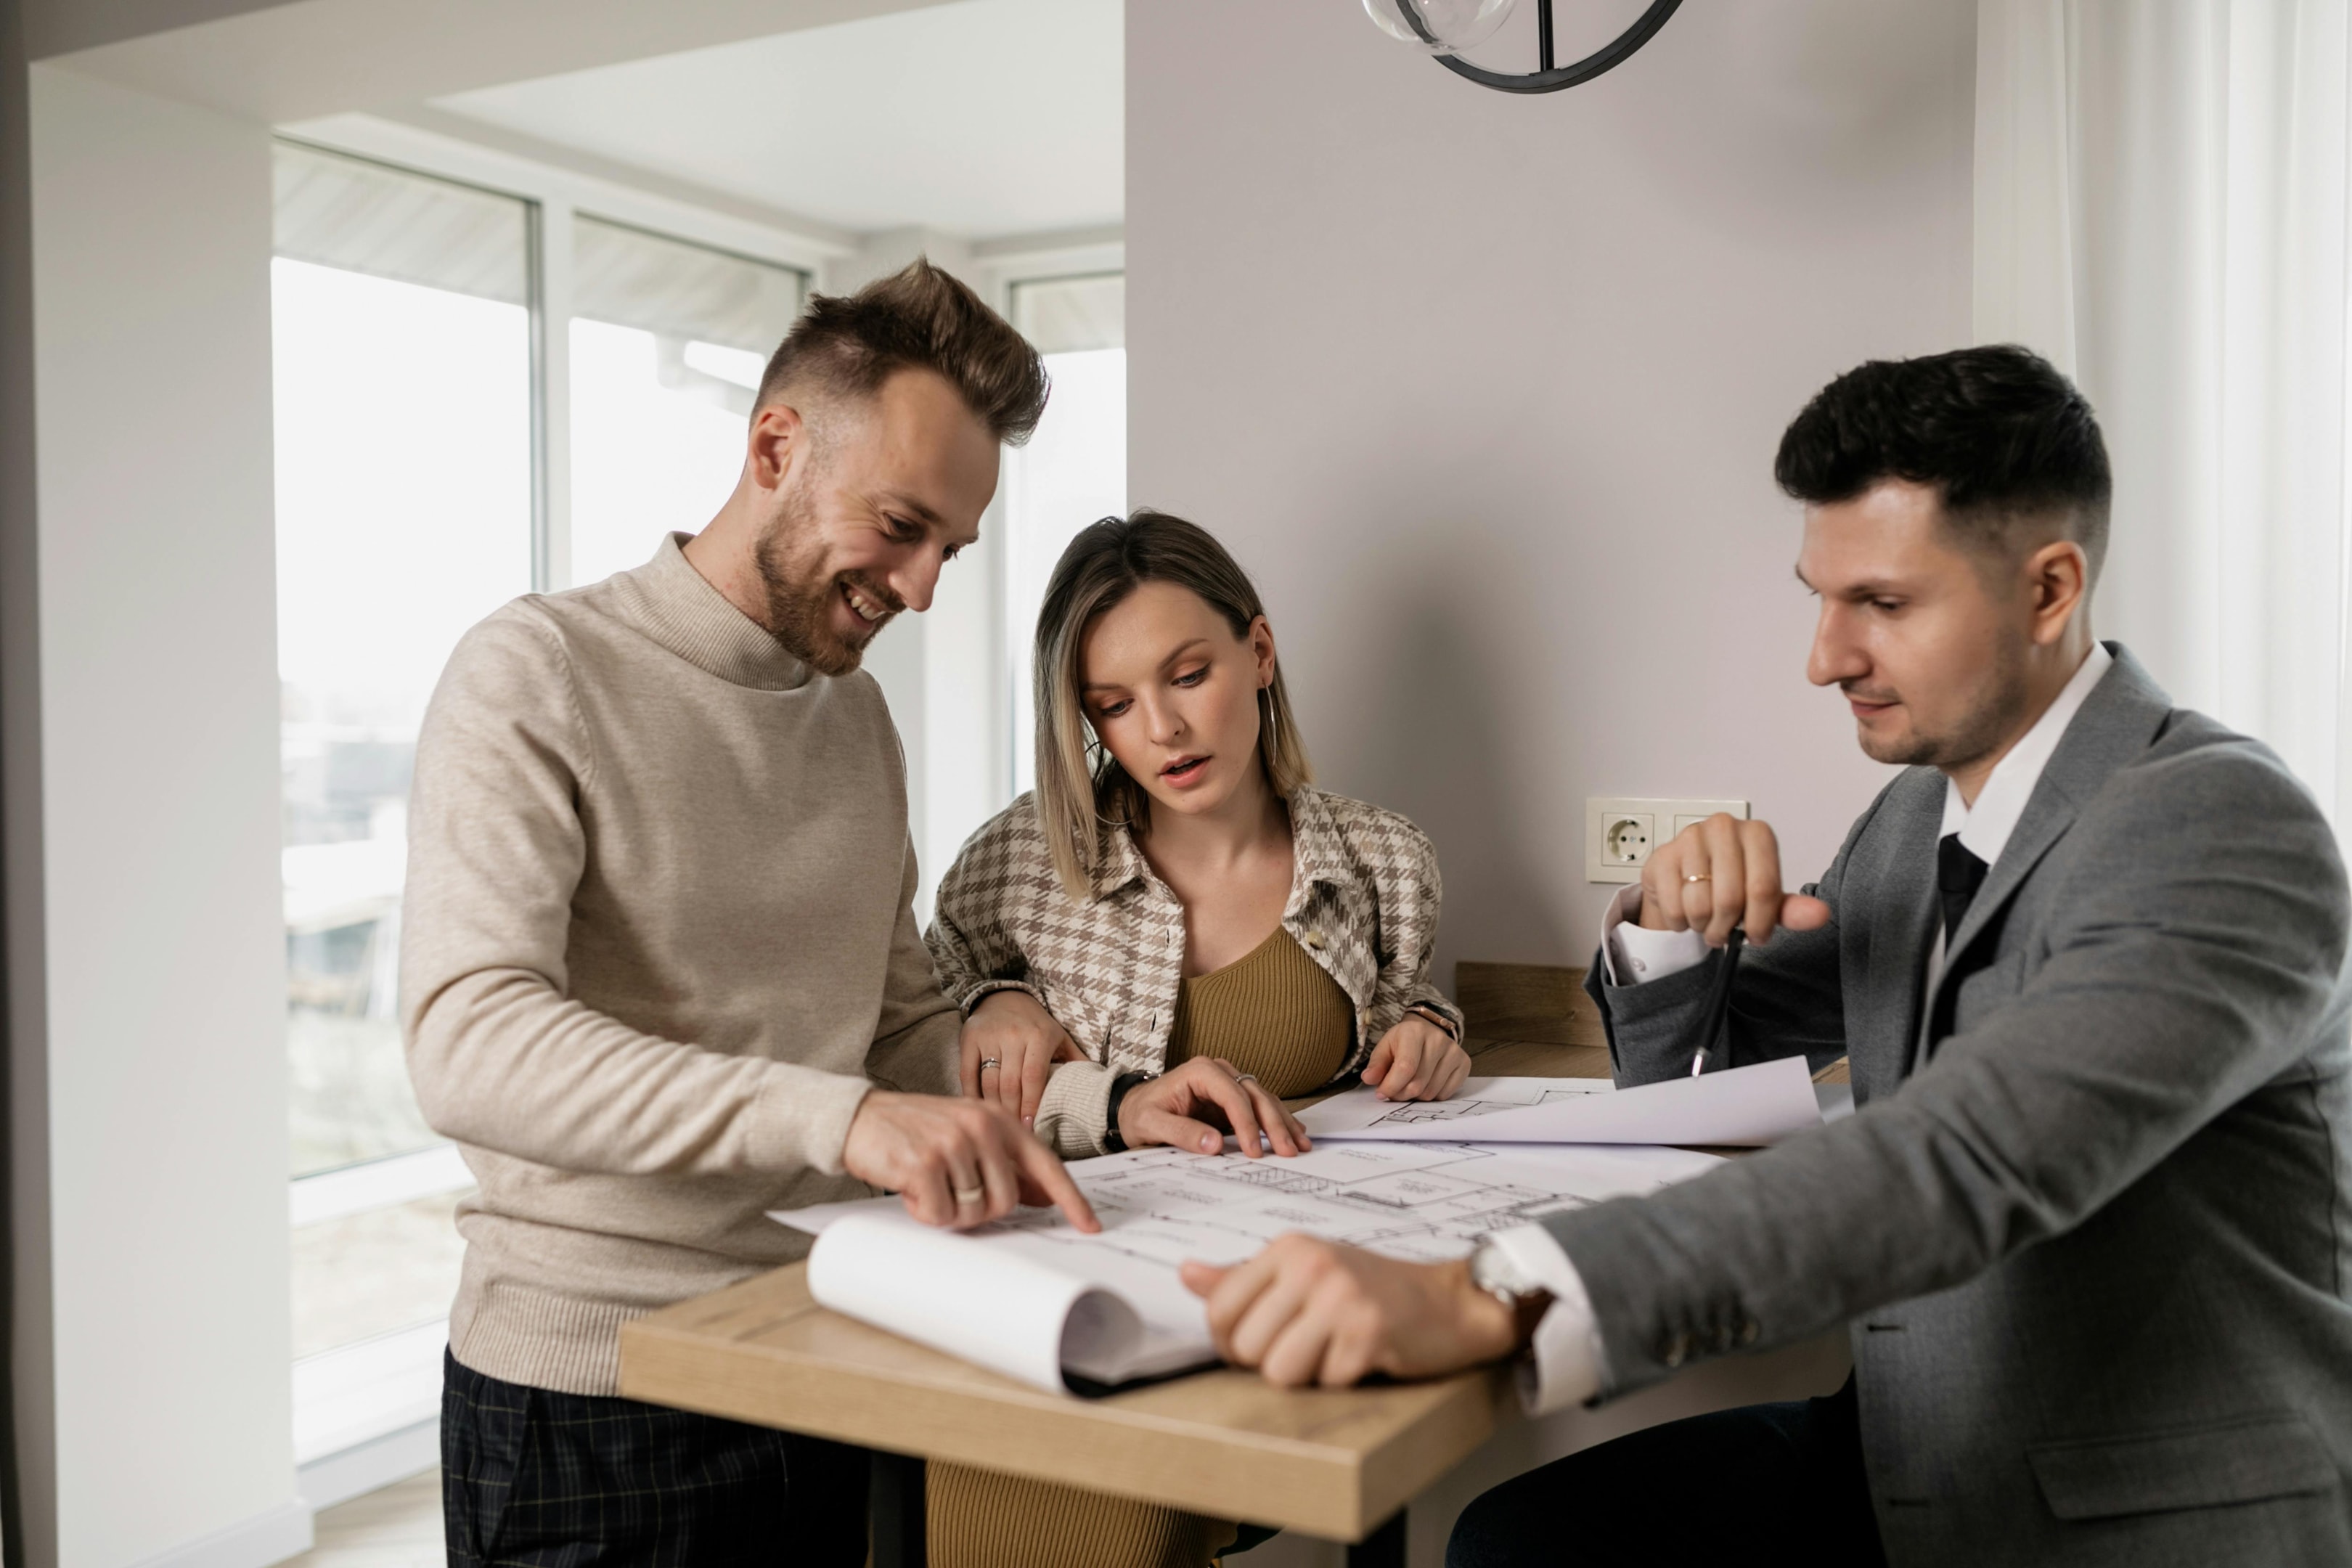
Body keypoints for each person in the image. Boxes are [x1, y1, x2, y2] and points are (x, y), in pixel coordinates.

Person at [1177, 346, 2352, 1567]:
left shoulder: (2217, 826)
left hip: (2121, 1505)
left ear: (2051, 590)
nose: (1826, 657)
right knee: (1517, 1542)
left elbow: (1961, 1158)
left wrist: (1492, 1292)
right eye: (1820, 598)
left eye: (1884, 606)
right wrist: (1667, 921)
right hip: (1899, 1450)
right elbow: (1716, 1070)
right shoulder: (1913, 824)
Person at [402, 259, 1098, 1568]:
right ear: (776, 445)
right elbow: (469, 1040)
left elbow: (893, 1030)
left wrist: (1103, 1104)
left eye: (950, 546)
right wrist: (837, 1116)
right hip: (587, 1397)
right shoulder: (537, 673)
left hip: (815, 1352)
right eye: (901, 525)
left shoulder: (857, 721)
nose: (925, 587)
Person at [920, 510, 1474, 1568]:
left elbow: (1403, 1010)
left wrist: (1433, 1034)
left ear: (1258, 654)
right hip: (1058, 1289)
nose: (1163, 731)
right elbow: (917, 1046)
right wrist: (984, 1003)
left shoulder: (1386, 860)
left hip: (1268, 1293)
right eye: (1114, 706)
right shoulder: (1021, 861)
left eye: (1187, 675)